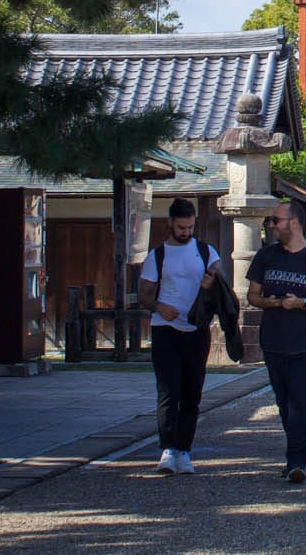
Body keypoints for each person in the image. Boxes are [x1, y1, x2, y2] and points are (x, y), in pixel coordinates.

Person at [245, 200, 306, 484]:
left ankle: (296, 459)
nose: (272, 225)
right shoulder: (266, 257)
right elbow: (252, 295)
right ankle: (298, 454)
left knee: (299, 401)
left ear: (294, 223)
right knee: (284, 403)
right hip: (274, 340)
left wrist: (302, 303)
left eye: (276, 220)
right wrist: (270, 302)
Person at [137, 197, 221, 475]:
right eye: (181, 227)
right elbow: (144, 294)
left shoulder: (207, 252)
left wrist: (211, 285)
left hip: (196, 328)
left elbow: (221, 289)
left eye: (190, 227)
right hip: (165, 328)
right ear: (170, 223)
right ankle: (167, 448)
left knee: (192, 392)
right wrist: (160, 306)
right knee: (168, 391)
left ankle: (184, 449)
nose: (186, 232)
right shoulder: (157, 255)